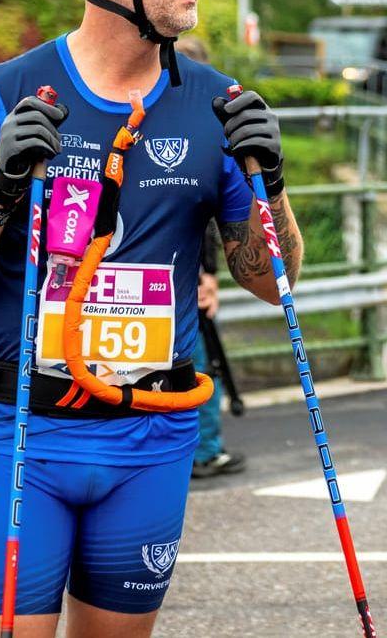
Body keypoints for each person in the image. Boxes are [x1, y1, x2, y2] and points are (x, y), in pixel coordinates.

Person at [0, 0, 302, 638]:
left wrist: (271, 186)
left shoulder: (217, 105)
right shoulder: (9, 94)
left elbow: (274, 282)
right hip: (23, 433)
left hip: (150, 440)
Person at [175, 36, 246, 479]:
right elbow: (206, 218)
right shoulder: (203, 130)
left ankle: (196, 448)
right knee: (202, 363)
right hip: (189, 274)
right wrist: (209, 274)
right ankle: (204, 449)